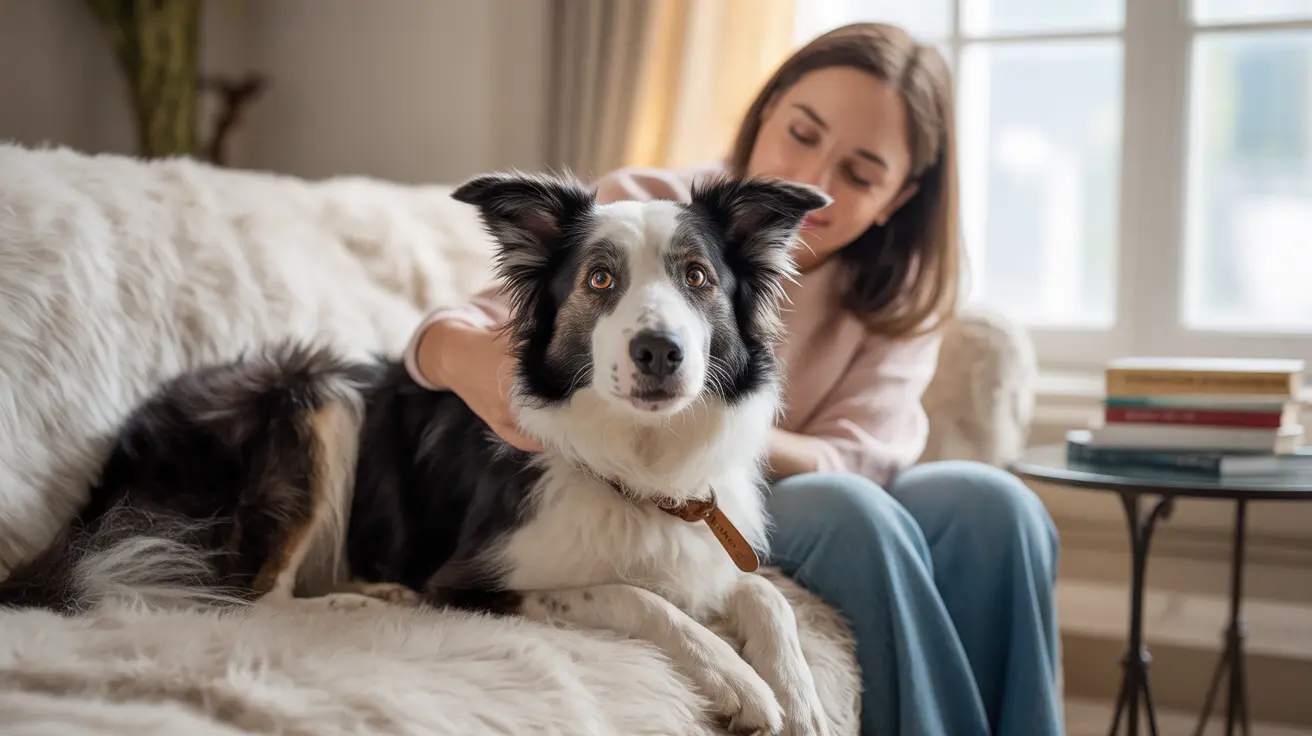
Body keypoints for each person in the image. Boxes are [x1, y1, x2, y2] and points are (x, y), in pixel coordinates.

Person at [403, 22, 1062, 736]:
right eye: (803, 133)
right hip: (758, 498)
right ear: (767, 108)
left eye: (863, 174)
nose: (818, 182)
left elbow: (862, 457)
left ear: (899, 197)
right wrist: (478, 370)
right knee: (853, 509)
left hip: (758, 476)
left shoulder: (894, 298)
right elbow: (457, 331)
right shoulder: (649, 207)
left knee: (996, 503)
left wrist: (723, 428)